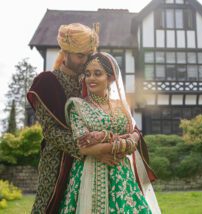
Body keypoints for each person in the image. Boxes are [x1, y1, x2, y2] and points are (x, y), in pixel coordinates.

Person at [59, 52, 161, 213]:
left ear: (111, 78)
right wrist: (121, 143)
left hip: (121, 176)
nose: (91, 78)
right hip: (88, 173)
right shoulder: (77, 106)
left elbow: (134, 134)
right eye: (88, 74)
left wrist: (129, 140)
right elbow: (83, 146)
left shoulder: (121, 106)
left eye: (97, 73)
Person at [27, 23, 110, 214]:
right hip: (56, 163)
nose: (85, 61)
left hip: (90, 164)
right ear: (66, 53)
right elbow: (51, 132)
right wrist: (91, 150)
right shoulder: (46, 82)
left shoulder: (90, 82)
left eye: (88, 56)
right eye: (80, 56)